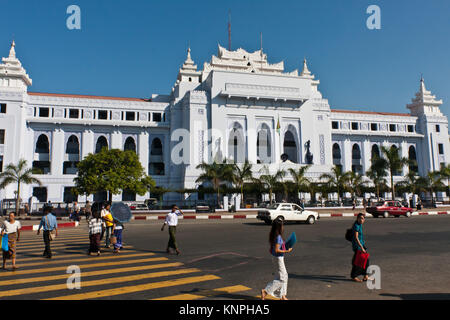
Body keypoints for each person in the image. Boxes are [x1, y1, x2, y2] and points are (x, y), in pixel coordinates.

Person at [261, 218, 292, 300]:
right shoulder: (278, 237)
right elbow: (277, 249)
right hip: (278, 258)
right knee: (283, 279)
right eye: (282, 226)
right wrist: (287, 250)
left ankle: (282, 296)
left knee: (282, 277)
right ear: (279, 227)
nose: (283, 227)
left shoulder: (273, 234)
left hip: (276, 257)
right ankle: (266, 291)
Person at [351, 213, 372, 282]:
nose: (362, 220)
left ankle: (365, 275)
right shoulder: (356, 226)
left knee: (365, 260)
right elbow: (356, 238)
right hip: (358, 246)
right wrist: (361, 247)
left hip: (361, 245)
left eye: (363, 218)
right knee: (358, 262)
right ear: (357, 218)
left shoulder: (359, 225)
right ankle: (354, 276)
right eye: (360, 218)